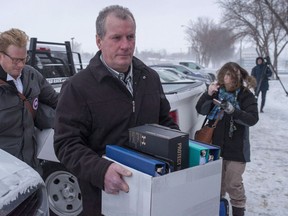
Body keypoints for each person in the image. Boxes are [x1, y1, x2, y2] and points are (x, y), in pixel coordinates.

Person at [53, 5, 179, 215]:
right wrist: (102, 171)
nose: (125, 45)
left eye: (130, 37)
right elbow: (66, 144)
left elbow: (164, 122)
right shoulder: (77, 87)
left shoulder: (150, 78)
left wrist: (181, 148)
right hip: (104, 197)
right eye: (117, 38)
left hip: (151, 193)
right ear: (99, 41)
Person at [196, 62, 259, 216]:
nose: (229, 78)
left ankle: (238, 211)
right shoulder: (217, 92)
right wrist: (208, 94)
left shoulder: (245, 95)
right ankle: (220, 211)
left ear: (239, 76)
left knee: (233, 184)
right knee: (216, 186)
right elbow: (200, 109)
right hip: (215, 147)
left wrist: (233, 111)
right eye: (226, 74)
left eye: (232, 75)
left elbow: (252, 119)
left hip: (237, 150)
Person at [0, 28, 58, 174]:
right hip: (6, 175)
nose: (20, 65)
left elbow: (56, 100)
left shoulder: (31, 75)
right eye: (15, 60)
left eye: (24, 59)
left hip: (32, 168)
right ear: (1, 56)